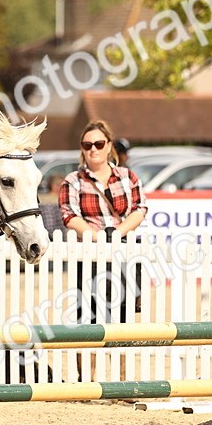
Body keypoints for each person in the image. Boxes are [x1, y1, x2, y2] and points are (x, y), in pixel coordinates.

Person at [58, 120, 148, 324]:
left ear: (109, 146)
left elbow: (140, 208)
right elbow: (69, 215)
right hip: (88, 254)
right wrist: (98, 238)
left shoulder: (128, 176)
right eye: (87, 145)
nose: (93, 149)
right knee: (88, 316)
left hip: (123, 252)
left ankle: (122, 346)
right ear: (82, 148)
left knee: (123, 317)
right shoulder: (73, 180)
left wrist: (116, 234)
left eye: (99, 144)